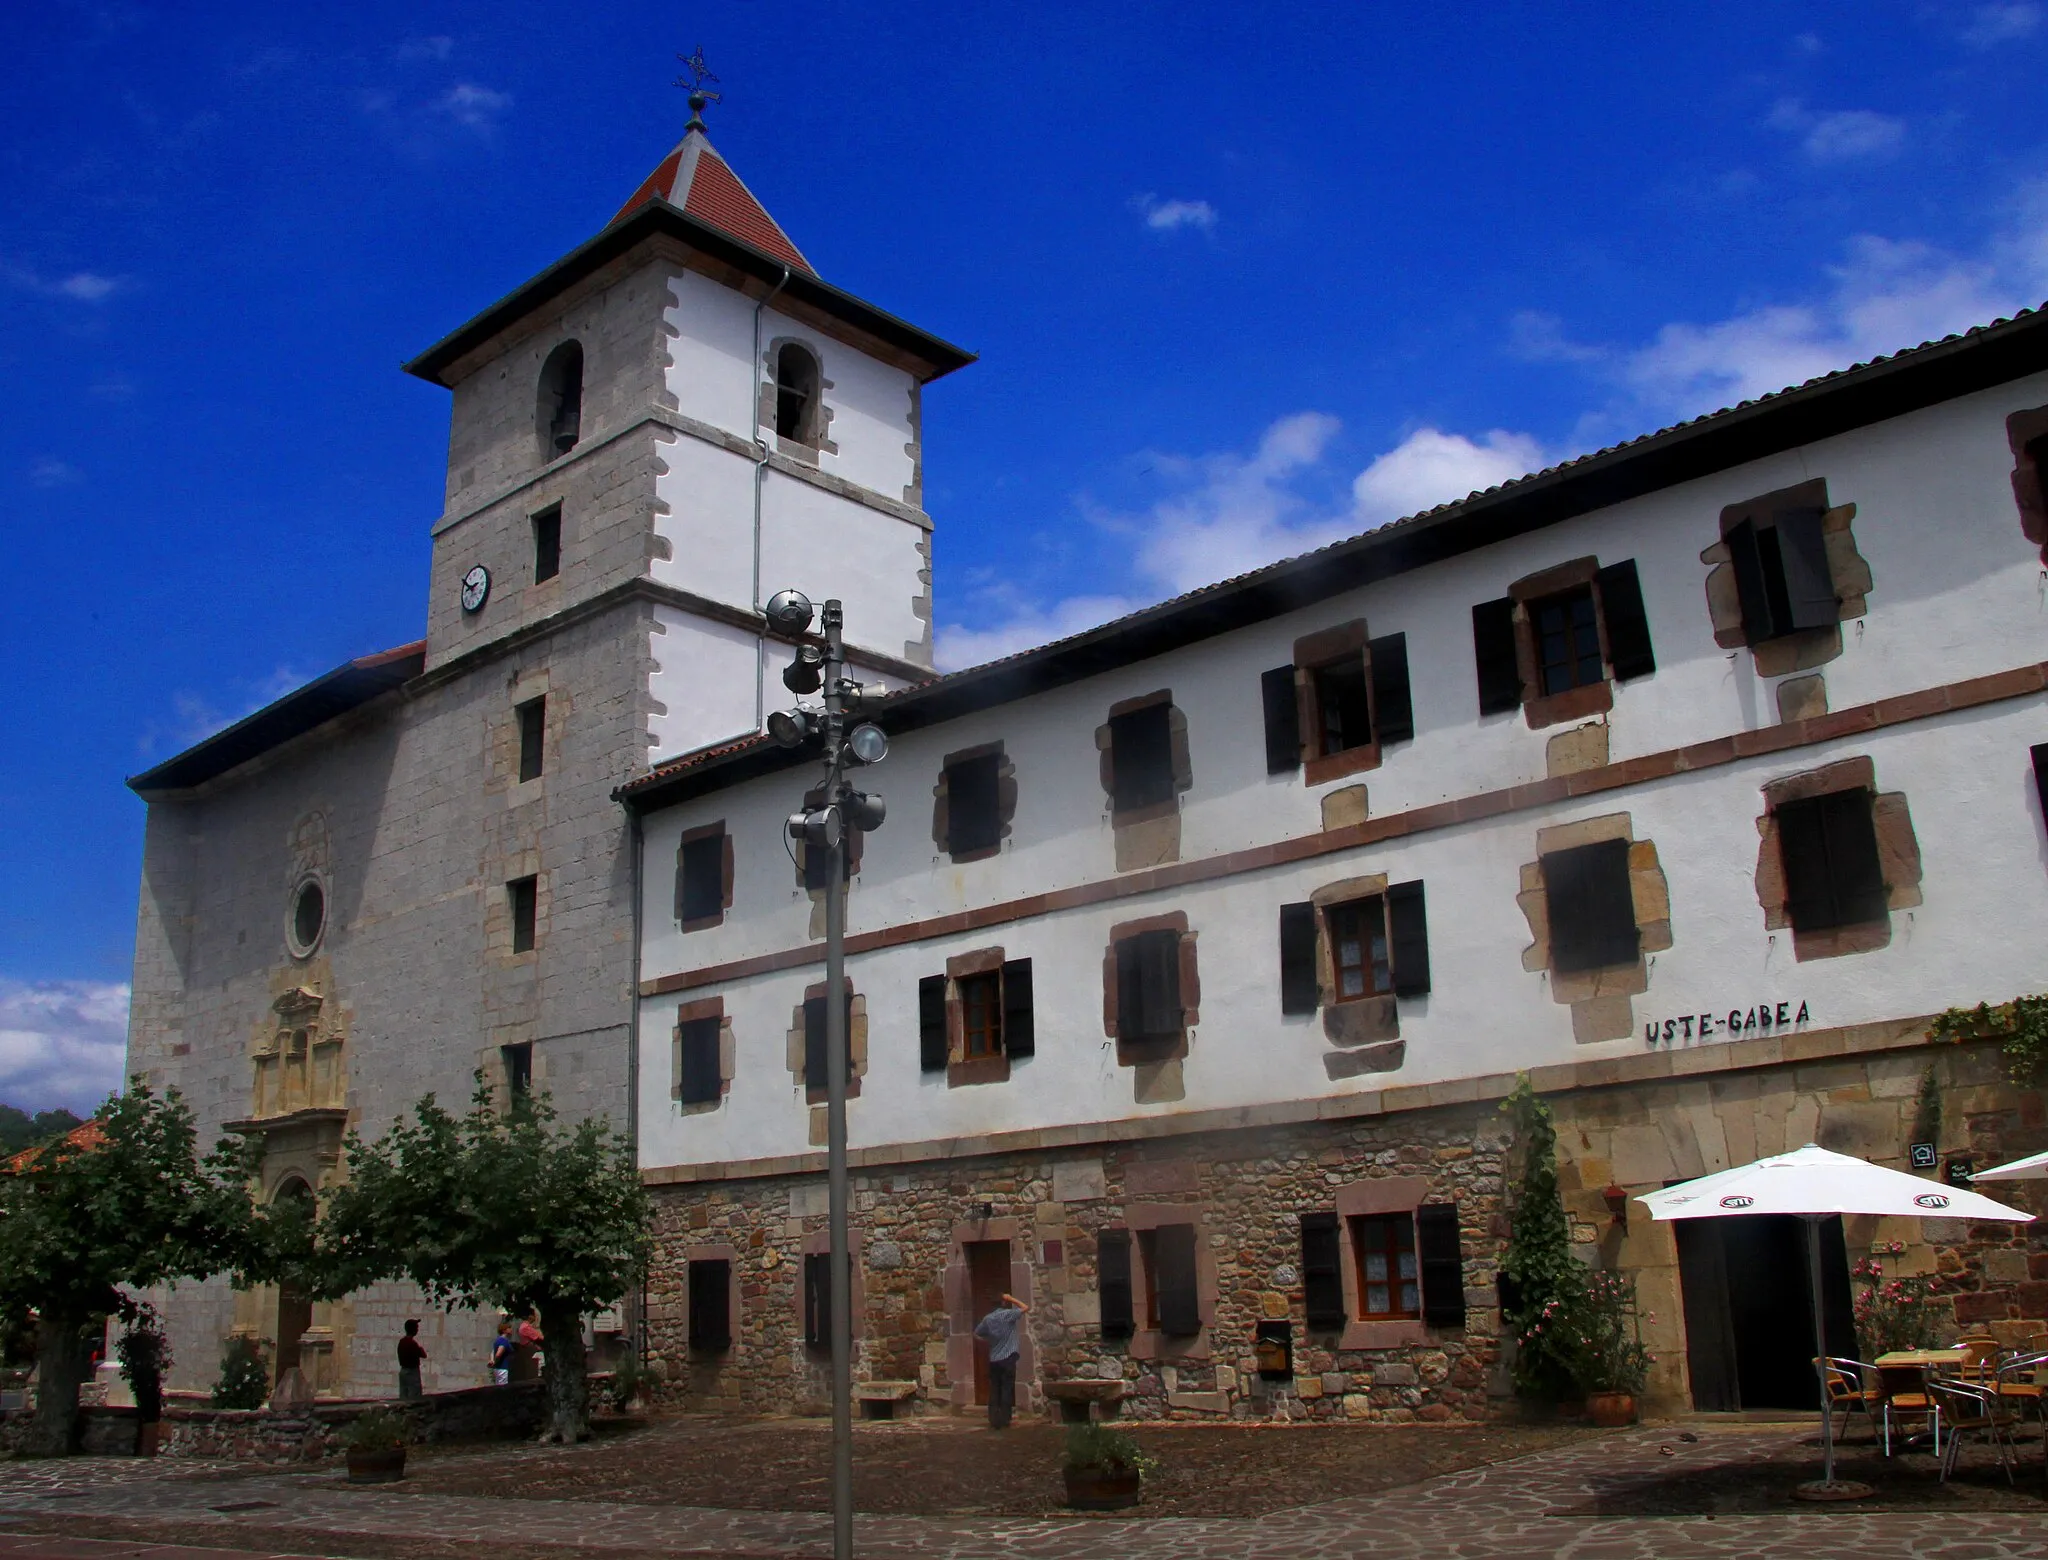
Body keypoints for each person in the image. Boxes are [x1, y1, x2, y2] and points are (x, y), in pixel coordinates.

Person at [972, 1291, 1029, 1429]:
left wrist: (988, 1341)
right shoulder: (1008, 1315)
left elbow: (976, 1334)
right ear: (1003, 1303)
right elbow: (1025, 1307)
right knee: (1006, 1388)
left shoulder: (988, 1319)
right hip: (1008, 1357)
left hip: (994, 1358)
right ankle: (1004, 1419)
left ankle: (993, 1419)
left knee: (995, 1389)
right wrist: (1011, 1298)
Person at [396, 1319, 426, 1400]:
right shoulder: (412, 1343)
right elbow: (423, 1355)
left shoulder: (401, 1342)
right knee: (414, 1397)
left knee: (403, 1396)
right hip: (412, 1372)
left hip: (403, 1371)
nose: (417, 1329)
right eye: (416, 1327)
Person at [490, 1321, 514, 1386]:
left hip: (497, 1369)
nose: (511, 1329)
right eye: (509, 1328)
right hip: (503, 1369)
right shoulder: (504, 1341)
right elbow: (498, 1354)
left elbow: (493, 1352)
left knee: (498, 1387)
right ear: (504, 1330)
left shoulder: (498, 1340)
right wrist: (495, 1361)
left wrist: (492, 1360)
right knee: (502, 1389)